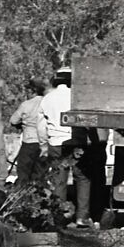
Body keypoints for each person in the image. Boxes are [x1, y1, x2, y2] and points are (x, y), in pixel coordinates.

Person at [41, 67, 79, 223]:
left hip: (55, 142)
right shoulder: (77, 97)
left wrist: (43, 143)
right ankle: (82, 216)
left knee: (59, 180)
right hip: (75, 141)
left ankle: (59, 217)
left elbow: (41, 125)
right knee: (81, 179)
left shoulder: (47, 98)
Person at [8, 77, 49, 186]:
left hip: (29, 141)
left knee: (24, 171)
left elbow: (13, 120)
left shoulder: (26, 104)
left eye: (28, 91)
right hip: (45, 142)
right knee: (40, 173)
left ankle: (22, 192)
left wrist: (21, 124)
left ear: (33, 91)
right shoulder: (48, 103)